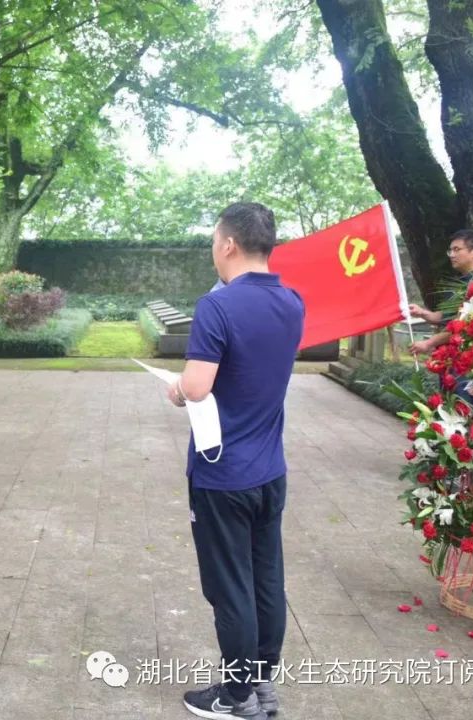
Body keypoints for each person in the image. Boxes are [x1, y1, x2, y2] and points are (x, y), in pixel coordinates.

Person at [167, 202, 304, 720]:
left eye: (213, 241)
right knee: (266, 578)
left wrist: (177, 389)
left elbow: (197, 386)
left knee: (230, 587)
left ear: (228, 244)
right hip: (270, 470)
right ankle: (263, 684)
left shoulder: (217, 306)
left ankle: (237, 695)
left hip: (224, 474)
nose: (213, 249)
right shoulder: (292, 302)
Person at [408, 229, 473, 403]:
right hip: (450, 358)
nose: (452, 255)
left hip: (467, 361)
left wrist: (428, 343)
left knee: (464, 406)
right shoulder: (461, 282)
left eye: (457, 250)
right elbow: (447, 318)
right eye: (450, 250)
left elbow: (462, 326)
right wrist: (423, 313)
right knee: (450, 405)